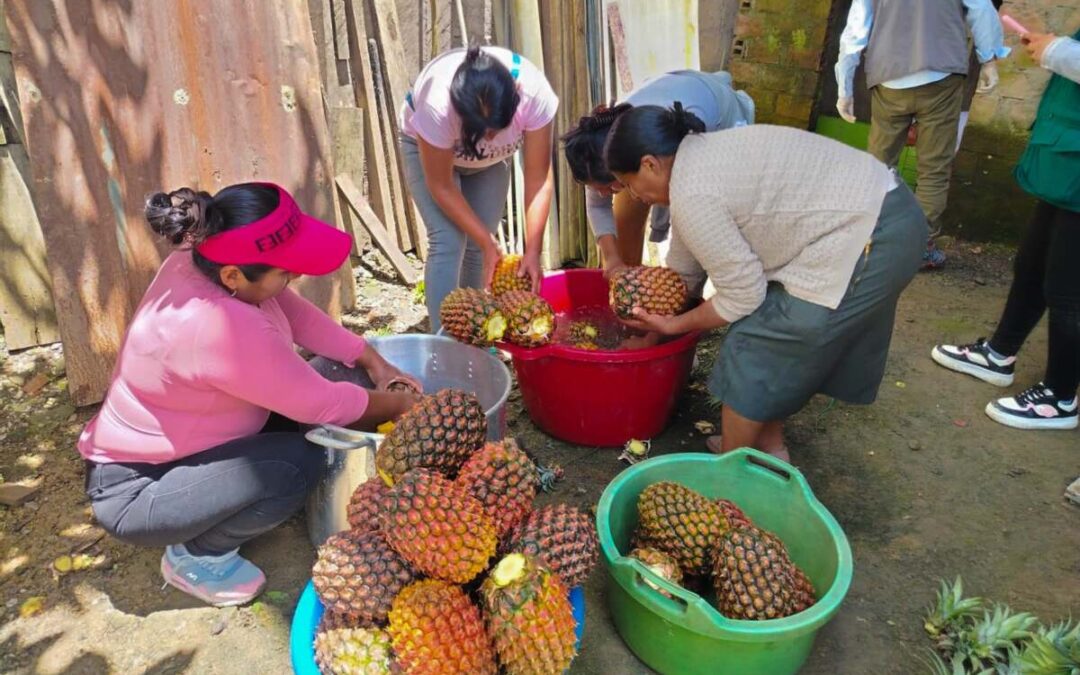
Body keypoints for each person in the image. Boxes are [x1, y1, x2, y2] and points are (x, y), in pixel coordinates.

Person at [79, 183, 421, 607]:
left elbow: (294, 314)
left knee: (308, 417)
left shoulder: (204, 256)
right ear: (233, 276)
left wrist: (372, 360)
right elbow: (324, 403)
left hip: (192, 441)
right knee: (296, 465)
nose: (294, 276)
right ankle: (196, 555)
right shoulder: (219, 328)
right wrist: (406, 407)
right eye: (285, 270)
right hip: (138, 489)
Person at [605, 106, 926, 461]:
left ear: (650, 164)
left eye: (631, 184)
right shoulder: (695, 160)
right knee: (767, 334)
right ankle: (767, 450)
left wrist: (674, 324)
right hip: (882, 210)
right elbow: (685, 274)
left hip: (873, 234)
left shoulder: (693, 193)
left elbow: (743, 296)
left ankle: (732, 471)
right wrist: (653, 336)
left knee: (757, 343)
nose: (634, 197)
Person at [932, 26, 1080, 432]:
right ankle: (999, 354)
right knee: (1031, 265)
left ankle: (1061, 396)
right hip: (1066, 166)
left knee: (1068, 290)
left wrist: (1058, 51)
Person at [834, 0, 1010, 269]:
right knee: (934, 169)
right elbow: (982, 10)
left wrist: (844, 87)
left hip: (888, 75)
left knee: (879, 165)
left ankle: (867, 239)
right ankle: (919, 249)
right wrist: (988, 59)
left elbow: (855, 30)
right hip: (942, 73)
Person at [400, 46, 557, 331]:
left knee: (479, 247)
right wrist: (487, 240)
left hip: (491, 165)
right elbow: (441, 185)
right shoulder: (437, 104)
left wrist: (533, 250)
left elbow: (538, 178)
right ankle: (443, 345)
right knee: (448, 240)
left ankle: (468, 333)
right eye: (479, 129)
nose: (489, 137)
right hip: (431, 160)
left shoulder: (534, 94)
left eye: (496, 128)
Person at [560, 71, 754, 277]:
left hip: (719, 124)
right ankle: (629, 278)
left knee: (698, 228)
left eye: (607, 187)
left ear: (648, 164)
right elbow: (597, 205)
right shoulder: (601, 145)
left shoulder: (687, 143)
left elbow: (693, 216)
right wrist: (612, 259)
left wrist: (684, 287)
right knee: (630, 201)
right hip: (675, 108)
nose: (601, 194)